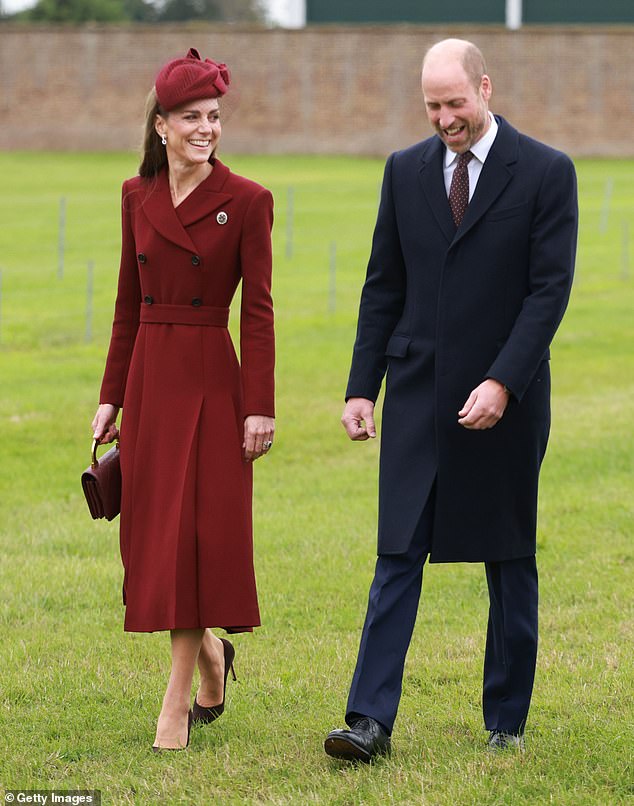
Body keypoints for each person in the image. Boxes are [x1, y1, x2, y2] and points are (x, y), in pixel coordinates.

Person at [324, 38, 577, 761]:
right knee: (396, 553)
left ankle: (507, 720)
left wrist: (503, 380)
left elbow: (547, 292)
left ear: (486, 88)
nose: (445, 120)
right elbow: (383, 286)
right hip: (414, 395)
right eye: (433, 106)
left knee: (508, 556)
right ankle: (368, 721)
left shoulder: (547, 173)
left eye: (455, 103)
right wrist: (359, 388)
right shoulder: (404, 172)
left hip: (508, 399)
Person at [91, 47, 275, 751]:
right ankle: (212, 657)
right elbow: (125, 305)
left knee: (195, 540)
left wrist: (260, 404)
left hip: (210, 381)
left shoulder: (247, 201)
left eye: (215, 116)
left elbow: (256, 312)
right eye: (192, 117)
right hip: (149, 379)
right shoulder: (136, 197)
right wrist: (111, 396)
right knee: (154, 542)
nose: (207, 128)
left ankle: (174, 708)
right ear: (161, 124)